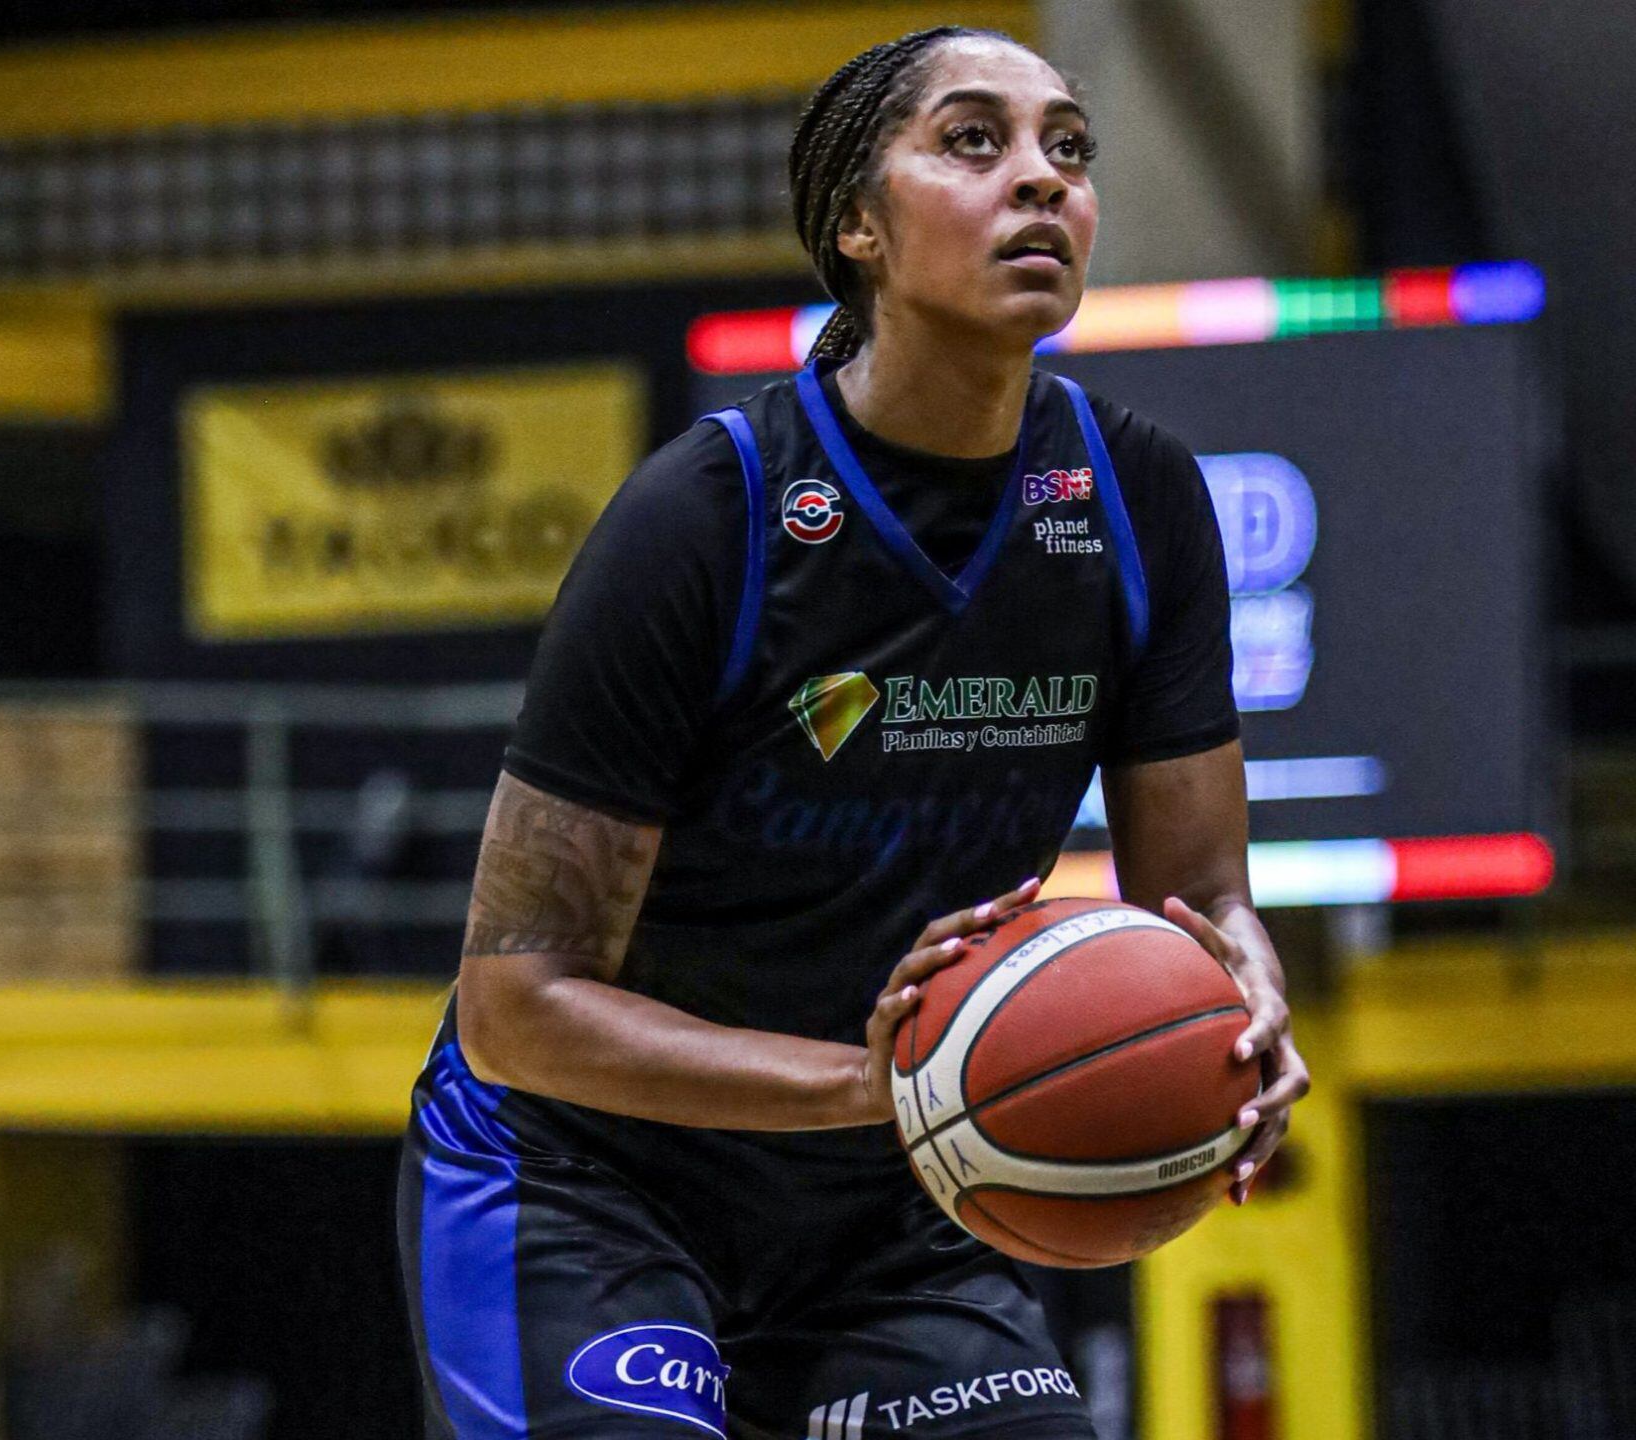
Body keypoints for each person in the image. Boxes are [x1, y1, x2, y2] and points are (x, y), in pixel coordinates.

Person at [399, 26, 1310, 1439]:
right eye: (973, 140)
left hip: (889, 1207)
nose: (1042, 180)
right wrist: (870, 1086)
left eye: (1069, 149)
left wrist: (1242, 996)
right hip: (587, 1177)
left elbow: (1199, 897)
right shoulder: (708, 516)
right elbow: (517, 1007)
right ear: (857, 226)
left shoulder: (1138, 498)